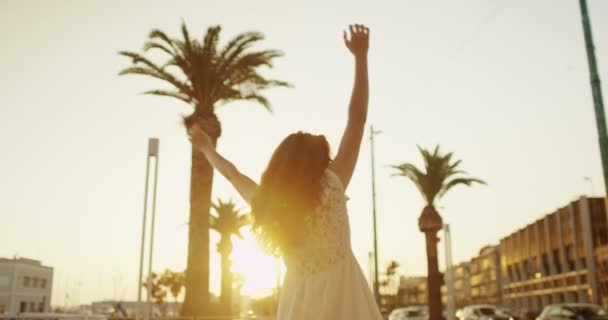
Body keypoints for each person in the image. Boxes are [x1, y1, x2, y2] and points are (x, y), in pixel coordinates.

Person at [188, 24, 381, 320]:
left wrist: (205, 148)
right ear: (317, 161)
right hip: (347, 302)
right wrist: (361, 57)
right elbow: (357, 119)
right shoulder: (334, 183)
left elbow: (230, 173)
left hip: (299, 307)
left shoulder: (269, 201)